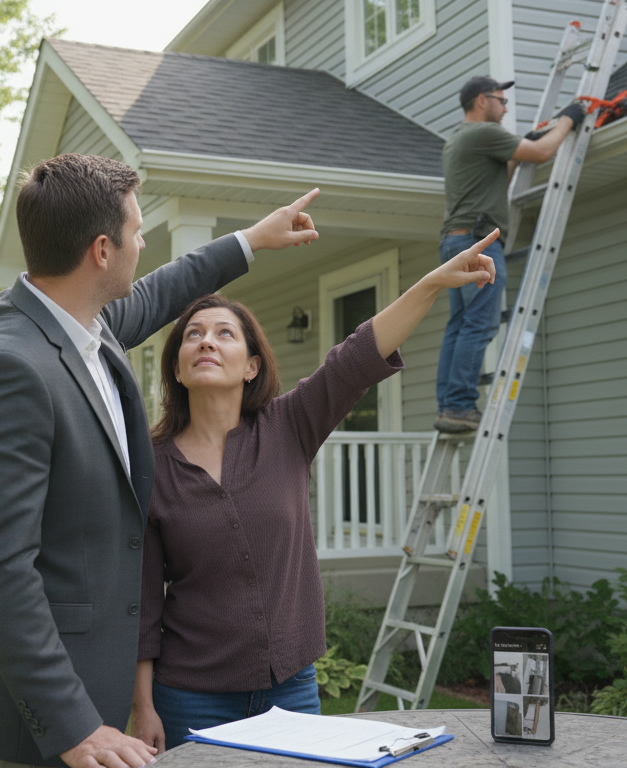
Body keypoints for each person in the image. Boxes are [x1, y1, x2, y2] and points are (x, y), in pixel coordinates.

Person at [0, 152, 322, 768]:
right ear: (101, 251)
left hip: (91, 693)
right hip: (32, 721)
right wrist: (72, 728)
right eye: (137, 233)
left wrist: (252, 240)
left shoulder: (84, 325)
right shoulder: (9, 366)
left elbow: (163, 290)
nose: (144, 244)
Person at [131, 231, 501, 750]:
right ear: (176, 366)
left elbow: (358, 355)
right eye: (193, 335)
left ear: (252, 365)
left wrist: (434, 283)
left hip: (292, 691)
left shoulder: (288, 426)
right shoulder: (150, 467)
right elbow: (143, 600)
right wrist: (142, 707)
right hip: (189, 697)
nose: (207, 341)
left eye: (224, 333)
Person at [434, 76, 583, 433]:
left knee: (459, 326)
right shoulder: (484, 133)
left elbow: (501, 171)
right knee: (481, 324)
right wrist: (570, 118)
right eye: (502, 100)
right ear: (482, 101)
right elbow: (545, 153)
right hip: (479, 242)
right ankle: (459, 406)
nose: (505, 107)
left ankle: (450, 406)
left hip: (456, 242)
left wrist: (519, 147)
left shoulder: (457, 139)